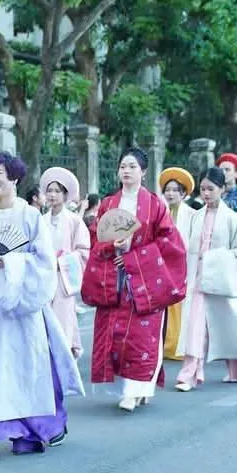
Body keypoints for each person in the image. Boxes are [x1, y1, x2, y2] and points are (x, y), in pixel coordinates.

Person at [0, 152, 83, 461]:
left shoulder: (31, 217)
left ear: (15, 178)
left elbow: (44, 263)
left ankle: (29, 430)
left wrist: (10, 264)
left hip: (22, 309)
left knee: (23, 369)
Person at [82, 147, 188, 412]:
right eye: (123, 166)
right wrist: (111, 248)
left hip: (145, 282)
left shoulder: (155, 205)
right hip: (114, 280)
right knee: (116, 337)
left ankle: (135, 391)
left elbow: (170, 243)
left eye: (132, 166)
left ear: (143, 172)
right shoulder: (108, 204)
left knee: (141, 338)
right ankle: (129, 389)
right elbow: (95, 239)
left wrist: (134, 257)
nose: (126, 171)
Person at [173, 168, 237, 390]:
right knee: (194, 325)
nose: (206, 194)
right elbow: (185, 247)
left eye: (211, 189)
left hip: (222, 279)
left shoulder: (232, 219)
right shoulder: (195, 217)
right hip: (198, 279)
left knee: (228, 325)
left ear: (222, 189)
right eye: (203, 189)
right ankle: (189, 374)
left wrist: (217, 259)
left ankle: (236, 370)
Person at [40, 166, 90, 360]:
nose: (52, 195)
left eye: (57, 191)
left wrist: (64, 261)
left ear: (65, 195)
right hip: (45, 278)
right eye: (49, 191)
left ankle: (64, 362)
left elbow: (84, 251)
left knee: (63, 322)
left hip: (63, 279)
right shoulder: (40, 220)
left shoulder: (74, 221)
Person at [158, 167, 197, 363]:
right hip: (162, 266)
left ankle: (179, 345)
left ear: (183, 194)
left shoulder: (192, 216)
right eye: (167, 190)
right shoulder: (160, 213)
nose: (170, 193)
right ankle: (164, 343)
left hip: (183, 266)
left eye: (175, 190)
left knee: (181, 305)